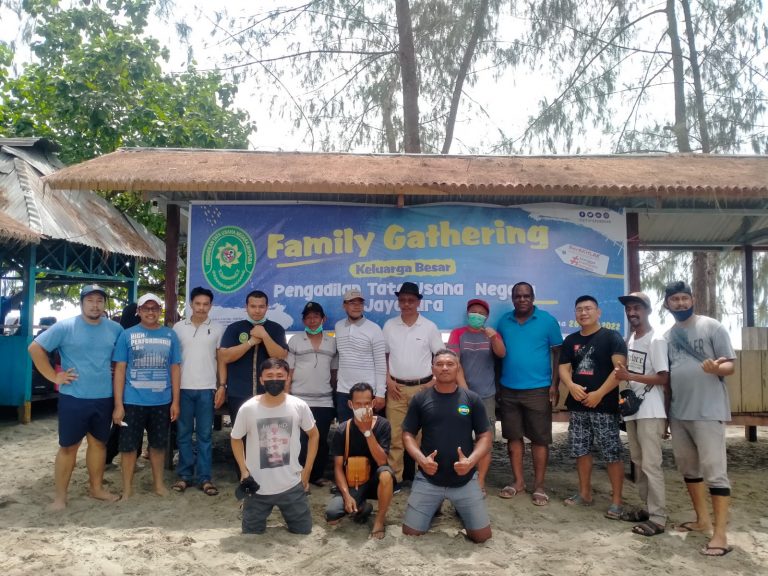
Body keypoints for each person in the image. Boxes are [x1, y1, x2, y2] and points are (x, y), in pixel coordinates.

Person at [28, 284, 123, 509]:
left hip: (104, 397)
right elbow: (34, 348)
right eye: (90, 300)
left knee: (99, 444)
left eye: (99, 300)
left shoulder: (115, 329)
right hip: (73, 398)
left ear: (104, 304)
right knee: (69, 447)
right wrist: (54, 376)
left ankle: (96, 488)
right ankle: (60, 497)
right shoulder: (65, 327)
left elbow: (121, 359)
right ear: (81, 303)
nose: (95, 305)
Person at [663, 280, 736, 557]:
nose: (680, 303)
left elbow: (730, 365)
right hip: (679, 413)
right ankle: (702, 520)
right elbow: (667, 379)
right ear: (667, 304)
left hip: (708, 411)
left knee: (715, 472)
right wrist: (667, 416)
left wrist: (717, 367)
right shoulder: (668, 336)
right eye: (675, 299)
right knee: (689, 469)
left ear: (692, 300)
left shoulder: (711, 327)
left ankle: (720, 535)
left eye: (685, 298)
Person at [401, 349, 492, 543]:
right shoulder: (420, 399)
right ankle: (434, 505)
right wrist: (421, 460)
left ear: (458, 368)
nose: (444, 368)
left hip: (464, 479)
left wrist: (471, 461)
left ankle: (460, 508)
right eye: (439, 364)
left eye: (450, 364)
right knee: (411, 532)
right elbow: (407, 434)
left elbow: (485, 436)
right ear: (432, 369)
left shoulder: (472, 399)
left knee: (482, 537)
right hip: (428, 479)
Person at [231, 358, 319, 535]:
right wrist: (243, 470)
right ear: (261, 379)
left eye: (280, 375)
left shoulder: (299, 406)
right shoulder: (248, 409)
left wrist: (307, 470)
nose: (275, 379)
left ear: (288, 378)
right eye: (269, 375)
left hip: (292, 485)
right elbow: (235, 438)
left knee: (303, 530)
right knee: (251, 533)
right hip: (257, 487)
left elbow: (314, 435)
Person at [559, 295, 627, 519]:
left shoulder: (612, 337)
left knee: (611, 452)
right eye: (579, 309)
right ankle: (585, 493)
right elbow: (564, 368)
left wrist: (599, 393)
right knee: (581, 450)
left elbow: (619, 370)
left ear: (598, 313)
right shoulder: (571, 340)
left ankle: (617, 501)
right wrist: (571, 386)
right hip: (578, 406)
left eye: (588, 308)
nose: (583, 313)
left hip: (605, 406)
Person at [496, 282, 563, 505]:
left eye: (526, 296)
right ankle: (518, 482)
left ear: (533, 298)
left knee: (539, 439)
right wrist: (498, 385)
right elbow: (498, 353)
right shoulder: (504, 321)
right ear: (512, 298)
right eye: (518, 296)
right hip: (508, 388)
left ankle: (539, 486)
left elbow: (558, 354)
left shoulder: (547, 321)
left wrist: (554, 385)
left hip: (538, 389)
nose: (522, 299)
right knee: (513, 438)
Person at [112, 293, 181, 499]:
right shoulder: (126, 335)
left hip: (162, 401)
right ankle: (127, 489)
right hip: (132, 401)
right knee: (128, 447)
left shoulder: (170, 335)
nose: (150, 312)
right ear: (139, 311)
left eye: (154, 308)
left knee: (158, 446)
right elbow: (120, 370)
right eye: (146, 308)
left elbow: (175, 369)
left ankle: (158, 485)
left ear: (159, 311)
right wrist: (118, 405)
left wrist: (175, 402)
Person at [614, 292, 670, 536]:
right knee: (639, 461)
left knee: (651, 464)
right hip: (634, 409)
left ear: (648, 310)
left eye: (637, 307)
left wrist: (629, 376)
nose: (632, 312)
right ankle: (648, 508)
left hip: (651, 409)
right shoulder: (632, 339)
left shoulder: (656, 339)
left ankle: (658, 517)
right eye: (629, 309)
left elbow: (663, 377)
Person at [382, 281, 444, 488]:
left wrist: (433, 382)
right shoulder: (389, 326)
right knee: (395, 437)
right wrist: (387, 380)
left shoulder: (429, 327)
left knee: (421, 437)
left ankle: (422, 478)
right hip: (396, 389)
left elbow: (441, 356)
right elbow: (384, 356)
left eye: (411, 300)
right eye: (402, 300)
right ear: (398, 302)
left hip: (422, 389)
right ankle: (395, 480)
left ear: (418, 302)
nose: (406, 304)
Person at [447, 298, 506, 495]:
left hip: (487, 396)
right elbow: (454, 363)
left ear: (486, 317)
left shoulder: (491, 334)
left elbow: (502, 353)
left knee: (485, 438)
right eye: (473, 312)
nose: (477, 316)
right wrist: (465, 390)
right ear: (467, 314)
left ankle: (480, 481)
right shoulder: (458, 333)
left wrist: (494, 337)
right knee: (459, 437)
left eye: (481, 313)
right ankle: (461, 477)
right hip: (461, 395)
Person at [172, 286, 225, 496]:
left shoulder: (218, 329)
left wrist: (222, 386)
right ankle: (184, 476)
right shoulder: (178, 328)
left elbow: (221, 360)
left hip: (207, 389)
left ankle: (205, 478)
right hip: (183, 389)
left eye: (205, 304)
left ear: (211, 306)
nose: (201, 308)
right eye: (198, 304)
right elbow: (174, 362)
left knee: (205, 436)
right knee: (184, 435)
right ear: (191, 304)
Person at [325, 382, 394, 539]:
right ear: (351, 404)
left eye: (367, 403)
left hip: (376, 480)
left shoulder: (383, 425)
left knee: (386, 474)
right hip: (354, 481)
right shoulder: (343, 429)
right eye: (358, 404)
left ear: (373, 403)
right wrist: (346, 495)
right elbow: (338, 467)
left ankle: (379, 521)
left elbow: (382, 461)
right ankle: (362, 508)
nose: (363, 408)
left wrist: (368, 432)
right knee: (332, 516)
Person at [219, 290, 288, 427]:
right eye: (253, 306)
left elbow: (280, 357)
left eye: (261, 306)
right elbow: (225, 357)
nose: (257, 310)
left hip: (269, 393)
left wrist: (264, 336)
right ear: (246, 307)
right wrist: (250, 342)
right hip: (238, 393)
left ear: (267, 307)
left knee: (267, 435)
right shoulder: (234, 328)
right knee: (240, 433)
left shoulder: (276, 329)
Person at [287, 301, 337, 487]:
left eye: (316, 316)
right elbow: (289, 371)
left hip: (324, 400)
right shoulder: (295, 340)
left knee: (321, 439)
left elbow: (334, 373)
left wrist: (334, 394)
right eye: (308, 317)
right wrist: (286, 395)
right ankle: (298, 476)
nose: (312, 320)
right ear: (303, 321)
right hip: (299, 399)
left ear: (323, 319)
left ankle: (317, 475)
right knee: (299, 439)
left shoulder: (332, 342)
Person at [334, 288, 387, 421]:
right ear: (344, 305)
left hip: (367, 393)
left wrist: (380, 393)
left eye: (360, 303)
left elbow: (381, 364)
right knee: (345, 431)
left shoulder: (374, 329)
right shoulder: (338, 326)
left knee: (367, 431)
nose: (357, 306)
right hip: (343, 392)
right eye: (352, 302)